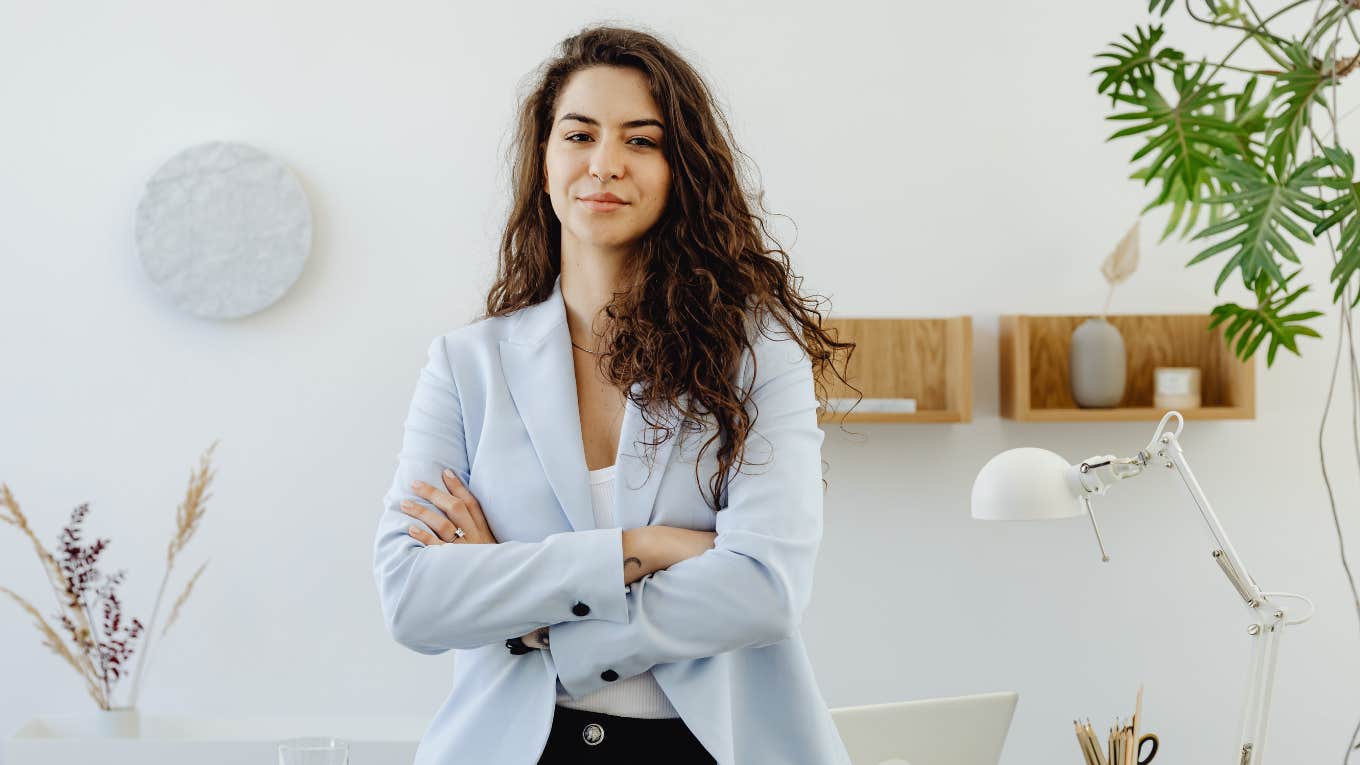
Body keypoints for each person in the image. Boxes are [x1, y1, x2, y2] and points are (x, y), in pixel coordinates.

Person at [372, 23, 858, 765]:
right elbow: (413, 597)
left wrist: (534, 621)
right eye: (579, 135)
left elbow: (764, 587)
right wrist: (643, 548)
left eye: (641, 140)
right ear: (544, 163)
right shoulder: (466, 365)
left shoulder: (755, 355)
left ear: (680, 170)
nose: (605, 164)